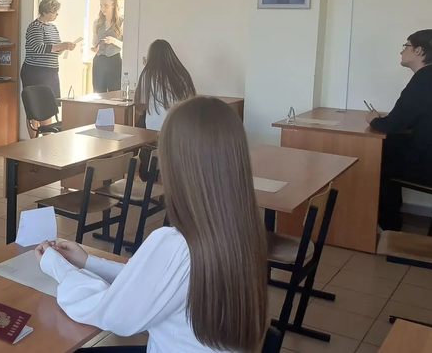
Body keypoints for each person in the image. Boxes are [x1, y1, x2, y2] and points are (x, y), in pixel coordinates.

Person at [35, 97, 268, 353]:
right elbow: (151, 281)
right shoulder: (243, 232)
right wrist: (88, 262)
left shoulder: (178, 244)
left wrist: (59, 269)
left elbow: (112, 315)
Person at [366, 29, 432, 231]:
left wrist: (374, 120)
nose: (402, 51)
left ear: (419, 51)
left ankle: (388, 227)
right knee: (392, 147)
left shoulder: (422, 81)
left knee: (376, 156)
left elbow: (392, 125)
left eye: (406, 46)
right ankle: (390, 223)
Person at [133, 39, 196, 130]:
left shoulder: (148, 74)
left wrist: (146, 67)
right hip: (181, 128)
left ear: (150, 57)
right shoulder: (182, 74)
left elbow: (140, 108)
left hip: (156, 128)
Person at [21, 0, 75, 100]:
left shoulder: (53, 28)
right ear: (44, 12)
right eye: (54, 12)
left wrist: (66, 47)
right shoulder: (35, 27)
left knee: (52, 104)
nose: (57, 14)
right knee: (37, 104)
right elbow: (38, 48)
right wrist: (62, 45)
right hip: (36, 71)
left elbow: (56, 49)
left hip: (51, 72)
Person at [91, 0, 124, 93]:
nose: (103, 8)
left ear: (113, 5)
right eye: (101, 6)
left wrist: (113, 41)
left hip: (114, 61)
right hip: (99, 61)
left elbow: (126, 45)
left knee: (114, 92)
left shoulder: (122, 22)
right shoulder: (97, 22)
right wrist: (95, 47)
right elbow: (94, 41)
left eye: (106, 5)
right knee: (98, 92)